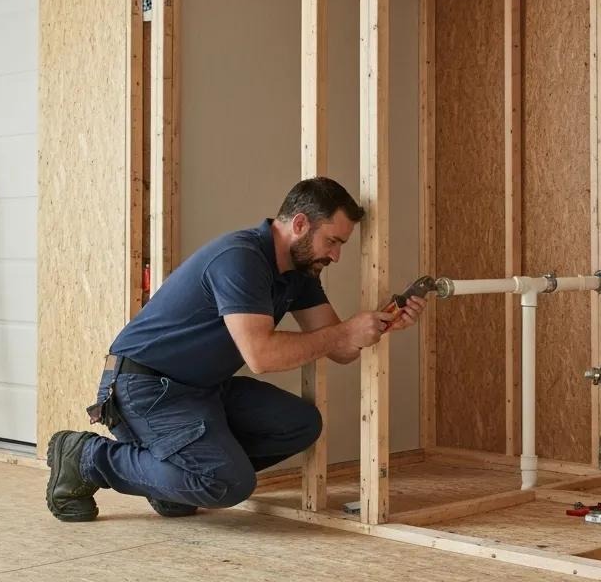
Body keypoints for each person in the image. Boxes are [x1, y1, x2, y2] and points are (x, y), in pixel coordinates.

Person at [44, 177, 424, 522]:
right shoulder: (240, 259)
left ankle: (173, 481)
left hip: (202, 389)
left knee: (300, 424)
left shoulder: (300, 273)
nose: (336, 255)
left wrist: (382, 324)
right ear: (300, 225)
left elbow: (342, 348)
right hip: (144, 388)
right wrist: (343, 335)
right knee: (228, 483)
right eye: (334, 241)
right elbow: (262, 356)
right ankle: (86, 457)